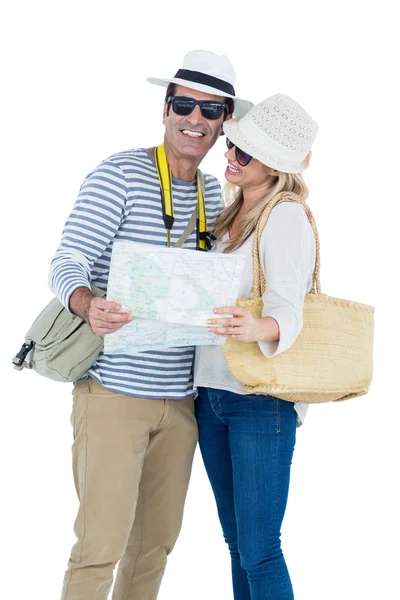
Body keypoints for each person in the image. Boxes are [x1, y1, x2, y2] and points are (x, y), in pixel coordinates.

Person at [49, 50, 252, 600]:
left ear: (224, 123)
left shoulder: (214, 194)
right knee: (99, 548)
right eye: (184, 104)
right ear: (165, 109)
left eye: (211, 111)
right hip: (113, 393)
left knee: (154, 548)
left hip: (183, 401)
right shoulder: (119, 173)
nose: (196, 119)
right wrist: (86, 302)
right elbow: (65, 261)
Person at [194, 93, 319, 600]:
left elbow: (290, 311)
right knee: (236, 544)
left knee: (261, 549)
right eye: (231, 144)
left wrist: (259, 326)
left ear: (275, 165)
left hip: (259, 401)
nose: (229, 156)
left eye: (243, 153)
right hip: (212, 393)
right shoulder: (231, 216)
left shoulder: (285, 215)